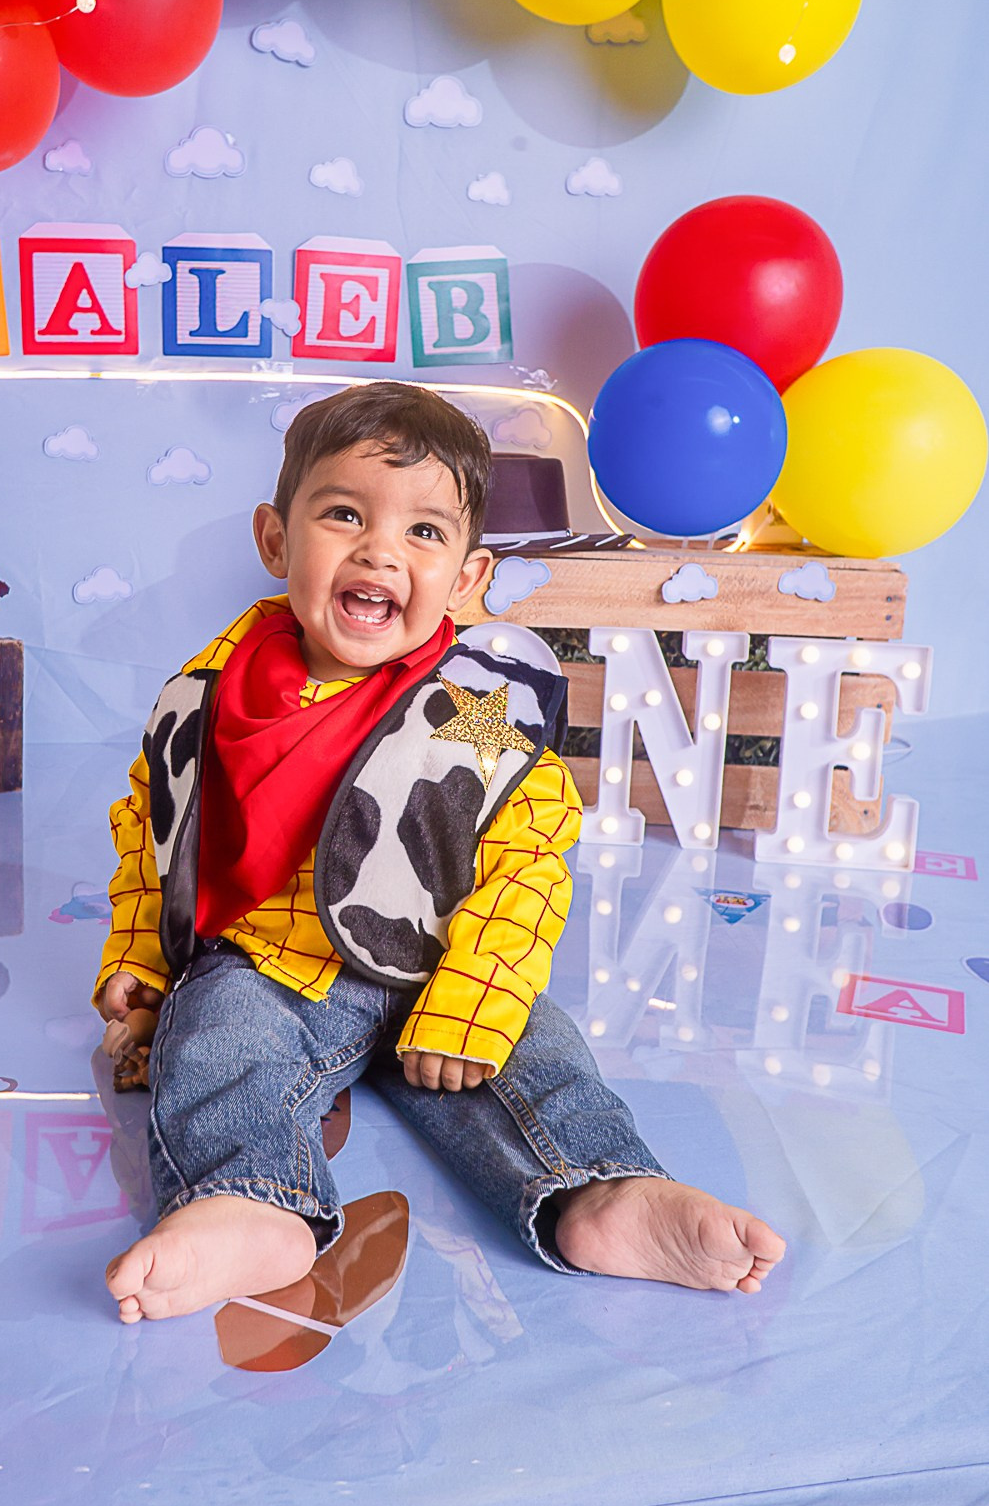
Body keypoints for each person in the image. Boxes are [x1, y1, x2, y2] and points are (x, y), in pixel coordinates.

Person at [95, 383, 785, 1326]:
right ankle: (251, 1202)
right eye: (343, 514)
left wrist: (473, 1003)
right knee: (214, 1041)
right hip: (271, 967)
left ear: (465, 579)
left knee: (535, 1050)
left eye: (424, 533)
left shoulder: (480, 714)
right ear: (273, 540)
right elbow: (154, 832)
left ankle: (603, 1192)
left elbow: (529, 862)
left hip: (438, 966)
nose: (380, 548)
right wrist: (137, 957)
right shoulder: (206, 697)